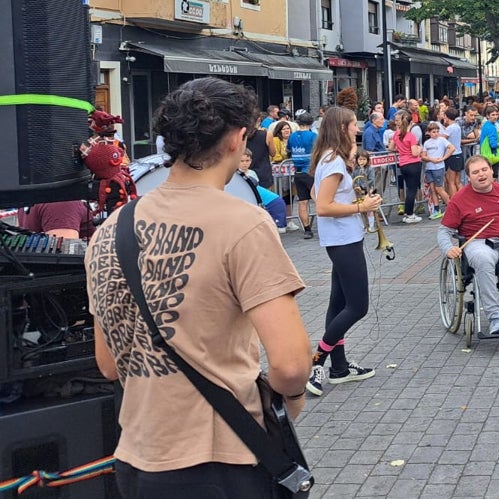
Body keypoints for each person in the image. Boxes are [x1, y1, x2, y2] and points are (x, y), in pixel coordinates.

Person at [85, 78, 310, 498]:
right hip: (221, 460)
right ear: (237, 139)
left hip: (137, 458)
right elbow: (292, 364)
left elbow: (109, 364)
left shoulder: (109, 231)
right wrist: (288, 401)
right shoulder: (244, 223)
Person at [304, 105, 380, 397]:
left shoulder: (328, 158)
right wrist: (361, 206)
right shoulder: (335, 162)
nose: (357, 129)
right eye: (352, 125)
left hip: (340, 239)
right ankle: (318, 361)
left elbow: (316, 194)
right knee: (357, 306)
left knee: (338, 303)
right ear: (341, 128)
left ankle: (339, 368)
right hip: (343, 239)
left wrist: (354, 199)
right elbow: (322, 207)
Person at [437, 156, 499, 337]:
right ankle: (494, 318)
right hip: (477, 243)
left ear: (492, 171)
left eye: (484, 170)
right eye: (475, 172)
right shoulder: (459, 199)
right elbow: (444, 231)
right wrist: (448, 249)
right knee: (483, 260)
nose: (481, 174)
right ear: (468, 177)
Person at [288, 112, 317, 238]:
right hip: (310, 171)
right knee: (319, 200)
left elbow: (288, 150)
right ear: (310, 123)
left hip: (297, 172)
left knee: (302, 202)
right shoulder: (313, 135)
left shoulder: (292, 136)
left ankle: (307, 230)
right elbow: (318, 151)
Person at [421, 121, 454, 219]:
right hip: (429, 167)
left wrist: (444, 158)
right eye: (433, 132)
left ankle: (451, 206)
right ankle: (436, 209)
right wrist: (431, 159)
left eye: (437, 131)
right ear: (429, 133)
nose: (436, 134)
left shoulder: (442, 140)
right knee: (432, 189)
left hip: (439, 167)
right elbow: (423, 156)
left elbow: (452, 148)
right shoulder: (427, 143)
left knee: (439, 188)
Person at [442, 107, 465, 198]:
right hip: (459, 154)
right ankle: (463, 199)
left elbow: (443, 139)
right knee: (458, 181)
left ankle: (455, 201)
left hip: (452, 155)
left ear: (447, 117)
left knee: (450, 181)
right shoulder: (457, 126)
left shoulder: (450, 128)